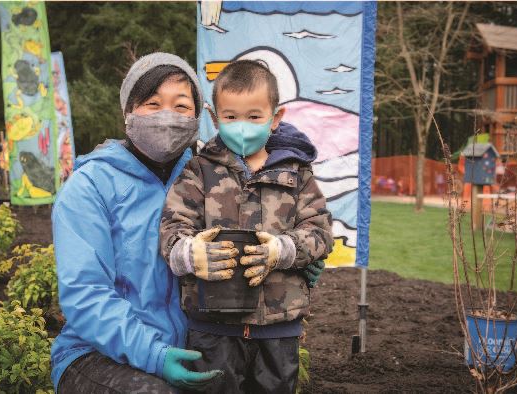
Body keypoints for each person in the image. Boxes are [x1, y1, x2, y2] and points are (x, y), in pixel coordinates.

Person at [51, 53, 224, 394]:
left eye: (180, 106)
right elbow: (85, 294)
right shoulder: (90, 187)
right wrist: (154, 356)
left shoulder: (211, 180)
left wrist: (289, 260)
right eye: (152, 103)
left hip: (195, 348)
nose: (166, 116)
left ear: (196, 115)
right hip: (97, 354)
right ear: (127, 113)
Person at [160, 60, 334, 394]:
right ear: (214, 118)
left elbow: (321, 231)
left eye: (254, 117)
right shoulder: (198, 171)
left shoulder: (296, 173)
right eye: (231, 116)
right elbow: (172, 229)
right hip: (212, 327)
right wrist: (190, 253)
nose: (243, 126)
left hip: (278, 327)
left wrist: (282, 250)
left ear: (275, 118)